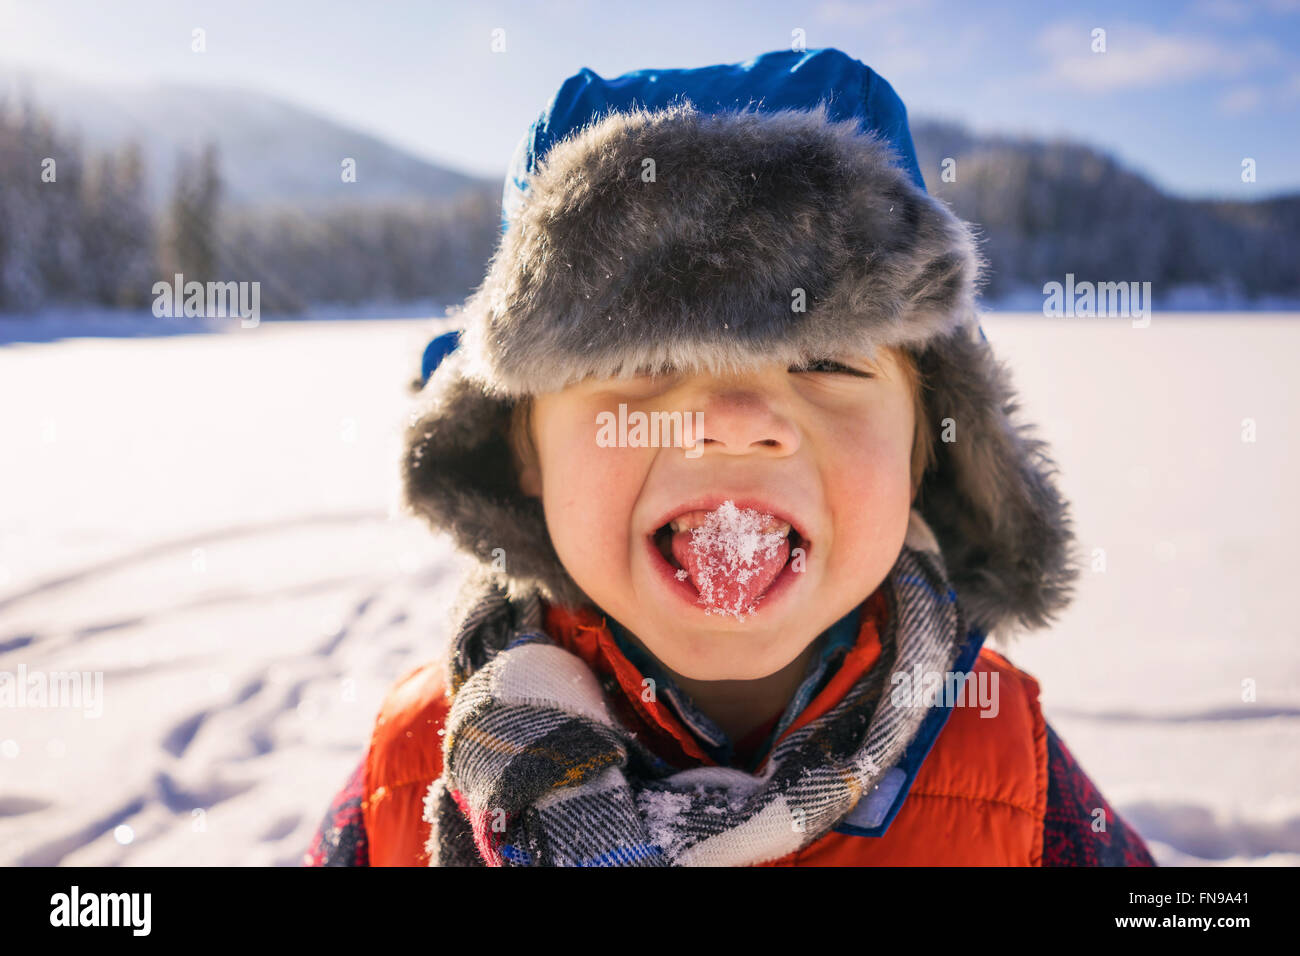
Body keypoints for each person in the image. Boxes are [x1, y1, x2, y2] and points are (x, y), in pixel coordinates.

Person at [304, 48, 1155, 867]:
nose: (736, 423)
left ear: (921, 448)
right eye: (641, 368)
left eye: (825, 362)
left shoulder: (1009, 765)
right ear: (525, 452)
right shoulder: (413, 765)